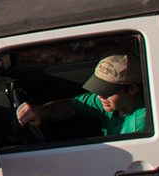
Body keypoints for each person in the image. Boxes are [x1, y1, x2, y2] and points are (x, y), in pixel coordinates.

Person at [18, 51, 151, 139]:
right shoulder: (111, 102)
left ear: (133, 89)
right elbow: (72, 106)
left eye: (107, 91)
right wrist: (40, 111)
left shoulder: (139, 126)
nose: (100, 96)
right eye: (99, 89)